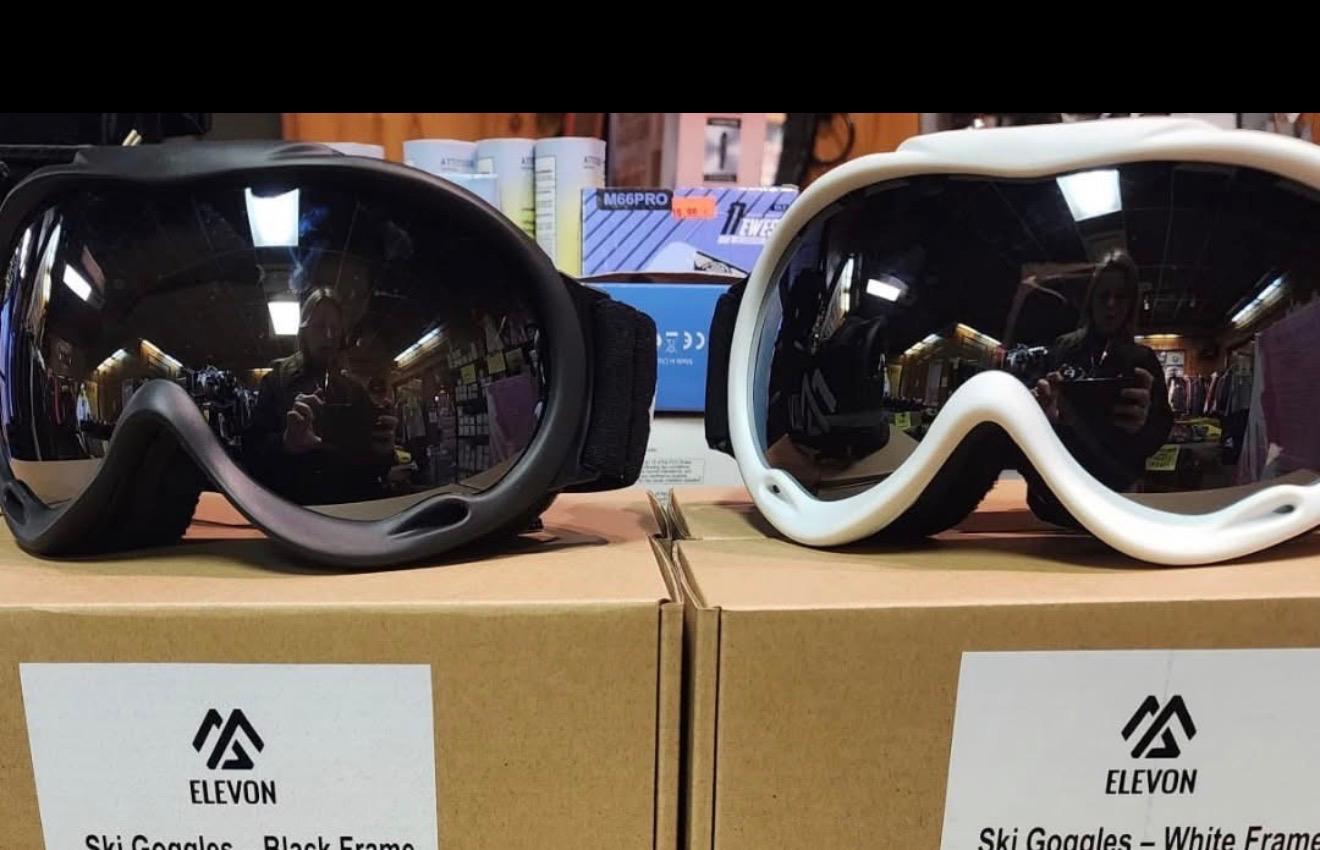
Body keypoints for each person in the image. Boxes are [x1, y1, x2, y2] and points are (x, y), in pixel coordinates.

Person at [1026, 251, 1173, 515]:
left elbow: (1162, 428)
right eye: (1103, 295)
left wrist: (1143, 426)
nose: (1111, 305)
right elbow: (1030, 416)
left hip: (1117, 494)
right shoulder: (1062, 348)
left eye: (1120, 297)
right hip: (1061, 491)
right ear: (1091, 299)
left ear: (1131, 303)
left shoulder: (1143, 360)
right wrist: (1042, 414)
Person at [244, 288, 398, 505]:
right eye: (319, 326)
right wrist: (286, 443)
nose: (329, 336)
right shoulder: (276, 382)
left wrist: (383, 452)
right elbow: (250, 455)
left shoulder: (353, 390)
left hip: (348, 510)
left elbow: (369, 469)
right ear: (304, 331)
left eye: (335, 328)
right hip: (293, 509)